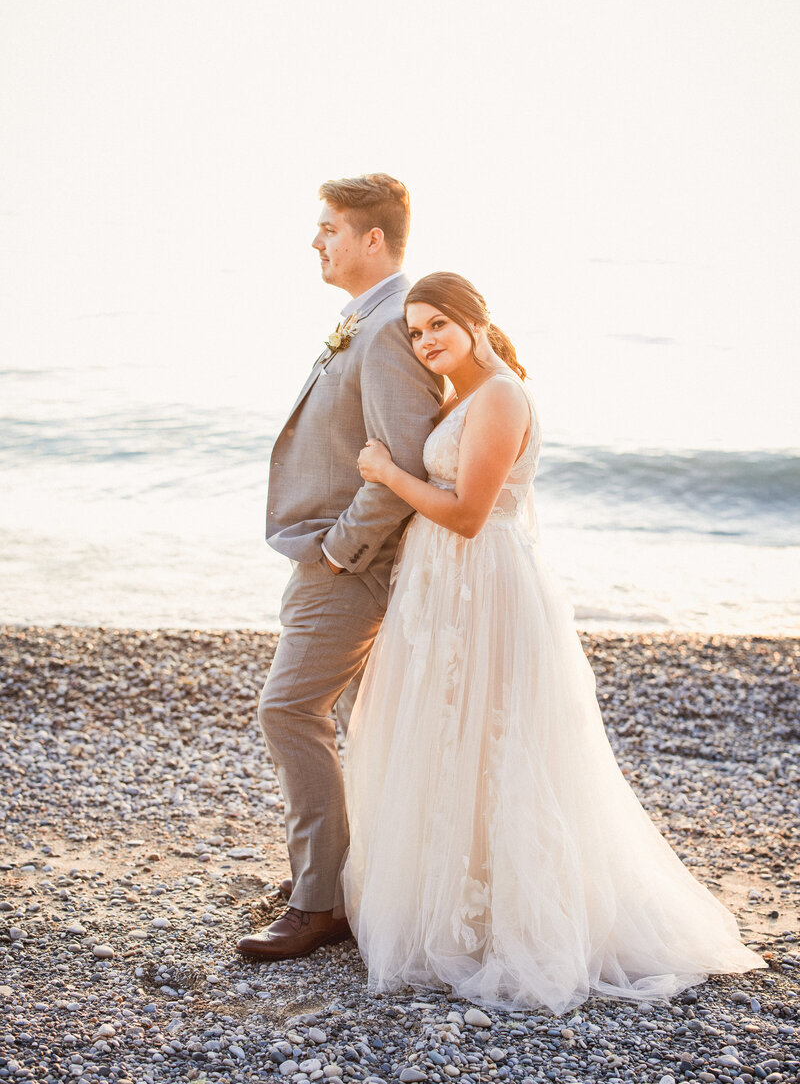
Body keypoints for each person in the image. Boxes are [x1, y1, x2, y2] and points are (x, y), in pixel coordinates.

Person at [343, 270, 764, 1014]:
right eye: (414, 331)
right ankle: (457, 908)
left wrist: (383, 472)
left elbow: (470, 513)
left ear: (476, 321)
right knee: (451, 743)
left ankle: (516, 920)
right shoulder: (465, 395)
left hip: (485, 583)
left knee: (498, 746)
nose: (426, 340)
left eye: (438, 323)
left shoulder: (502, 395)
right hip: (445, 587)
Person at [237, 175, 442, 961]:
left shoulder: (392, 323)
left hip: (349, 563)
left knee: (289, 711)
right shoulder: (366, 314)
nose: (315, 241)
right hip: (329, 552)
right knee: (360, 720)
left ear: (372, 240)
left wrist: (338, 550)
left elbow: (405, 461)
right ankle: (343, 880)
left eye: (328, 228)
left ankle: (320, 904)